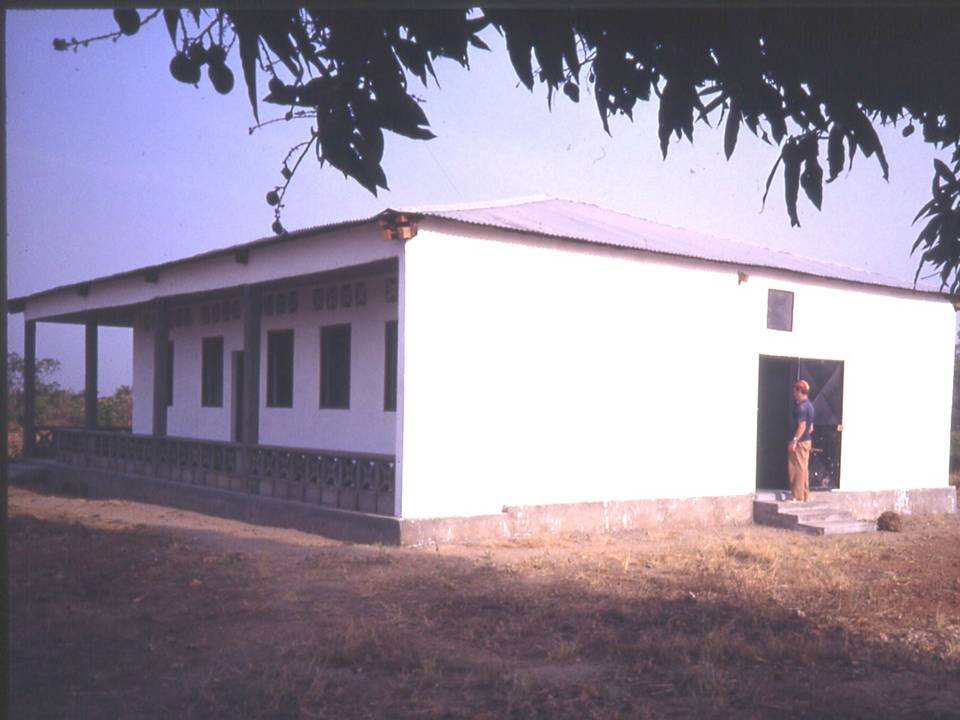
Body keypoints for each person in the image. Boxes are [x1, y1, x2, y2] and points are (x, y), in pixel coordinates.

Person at [787, 379, 815, 502]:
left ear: (800, 391)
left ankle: (797, 497)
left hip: (800, 442)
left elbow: (802, 426)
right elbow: (811, 427)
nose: (793, 393)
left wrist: (794, 440)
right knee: (803, 468)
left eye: (795, 390)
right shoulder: (810, 406)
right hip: (807, 441)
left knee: (797, 468)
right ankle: (804, 495)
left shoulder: (801, 407)